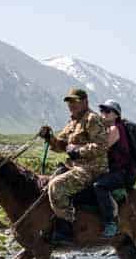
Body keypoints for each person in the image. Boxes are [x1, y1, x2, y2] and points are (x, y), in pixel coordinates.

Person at [37, 88, 112, 244]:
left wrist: (78, 152)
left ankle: (66, 230)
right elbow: (59, 146)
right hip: (74, 167)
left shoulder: (92, 119)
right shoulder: (72, 122)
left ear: (85, 101)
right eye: (69, 102)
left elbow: (102, 145)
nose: (71, 105)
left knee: (57, 186)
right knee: (43, 183)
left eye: (75, 101)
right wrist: (49, 137)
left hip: (91, 169)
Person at [94, 99, 136, 238]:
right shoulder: (113, 128)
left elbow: (101, 149)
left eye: (108, 111)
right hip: (118, 171)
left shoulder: (115, 129)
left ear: (116, 115)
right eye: (102, 111)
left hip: (123, 173)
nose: (104, 114)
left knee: (98, 186)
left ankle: (110, 223)